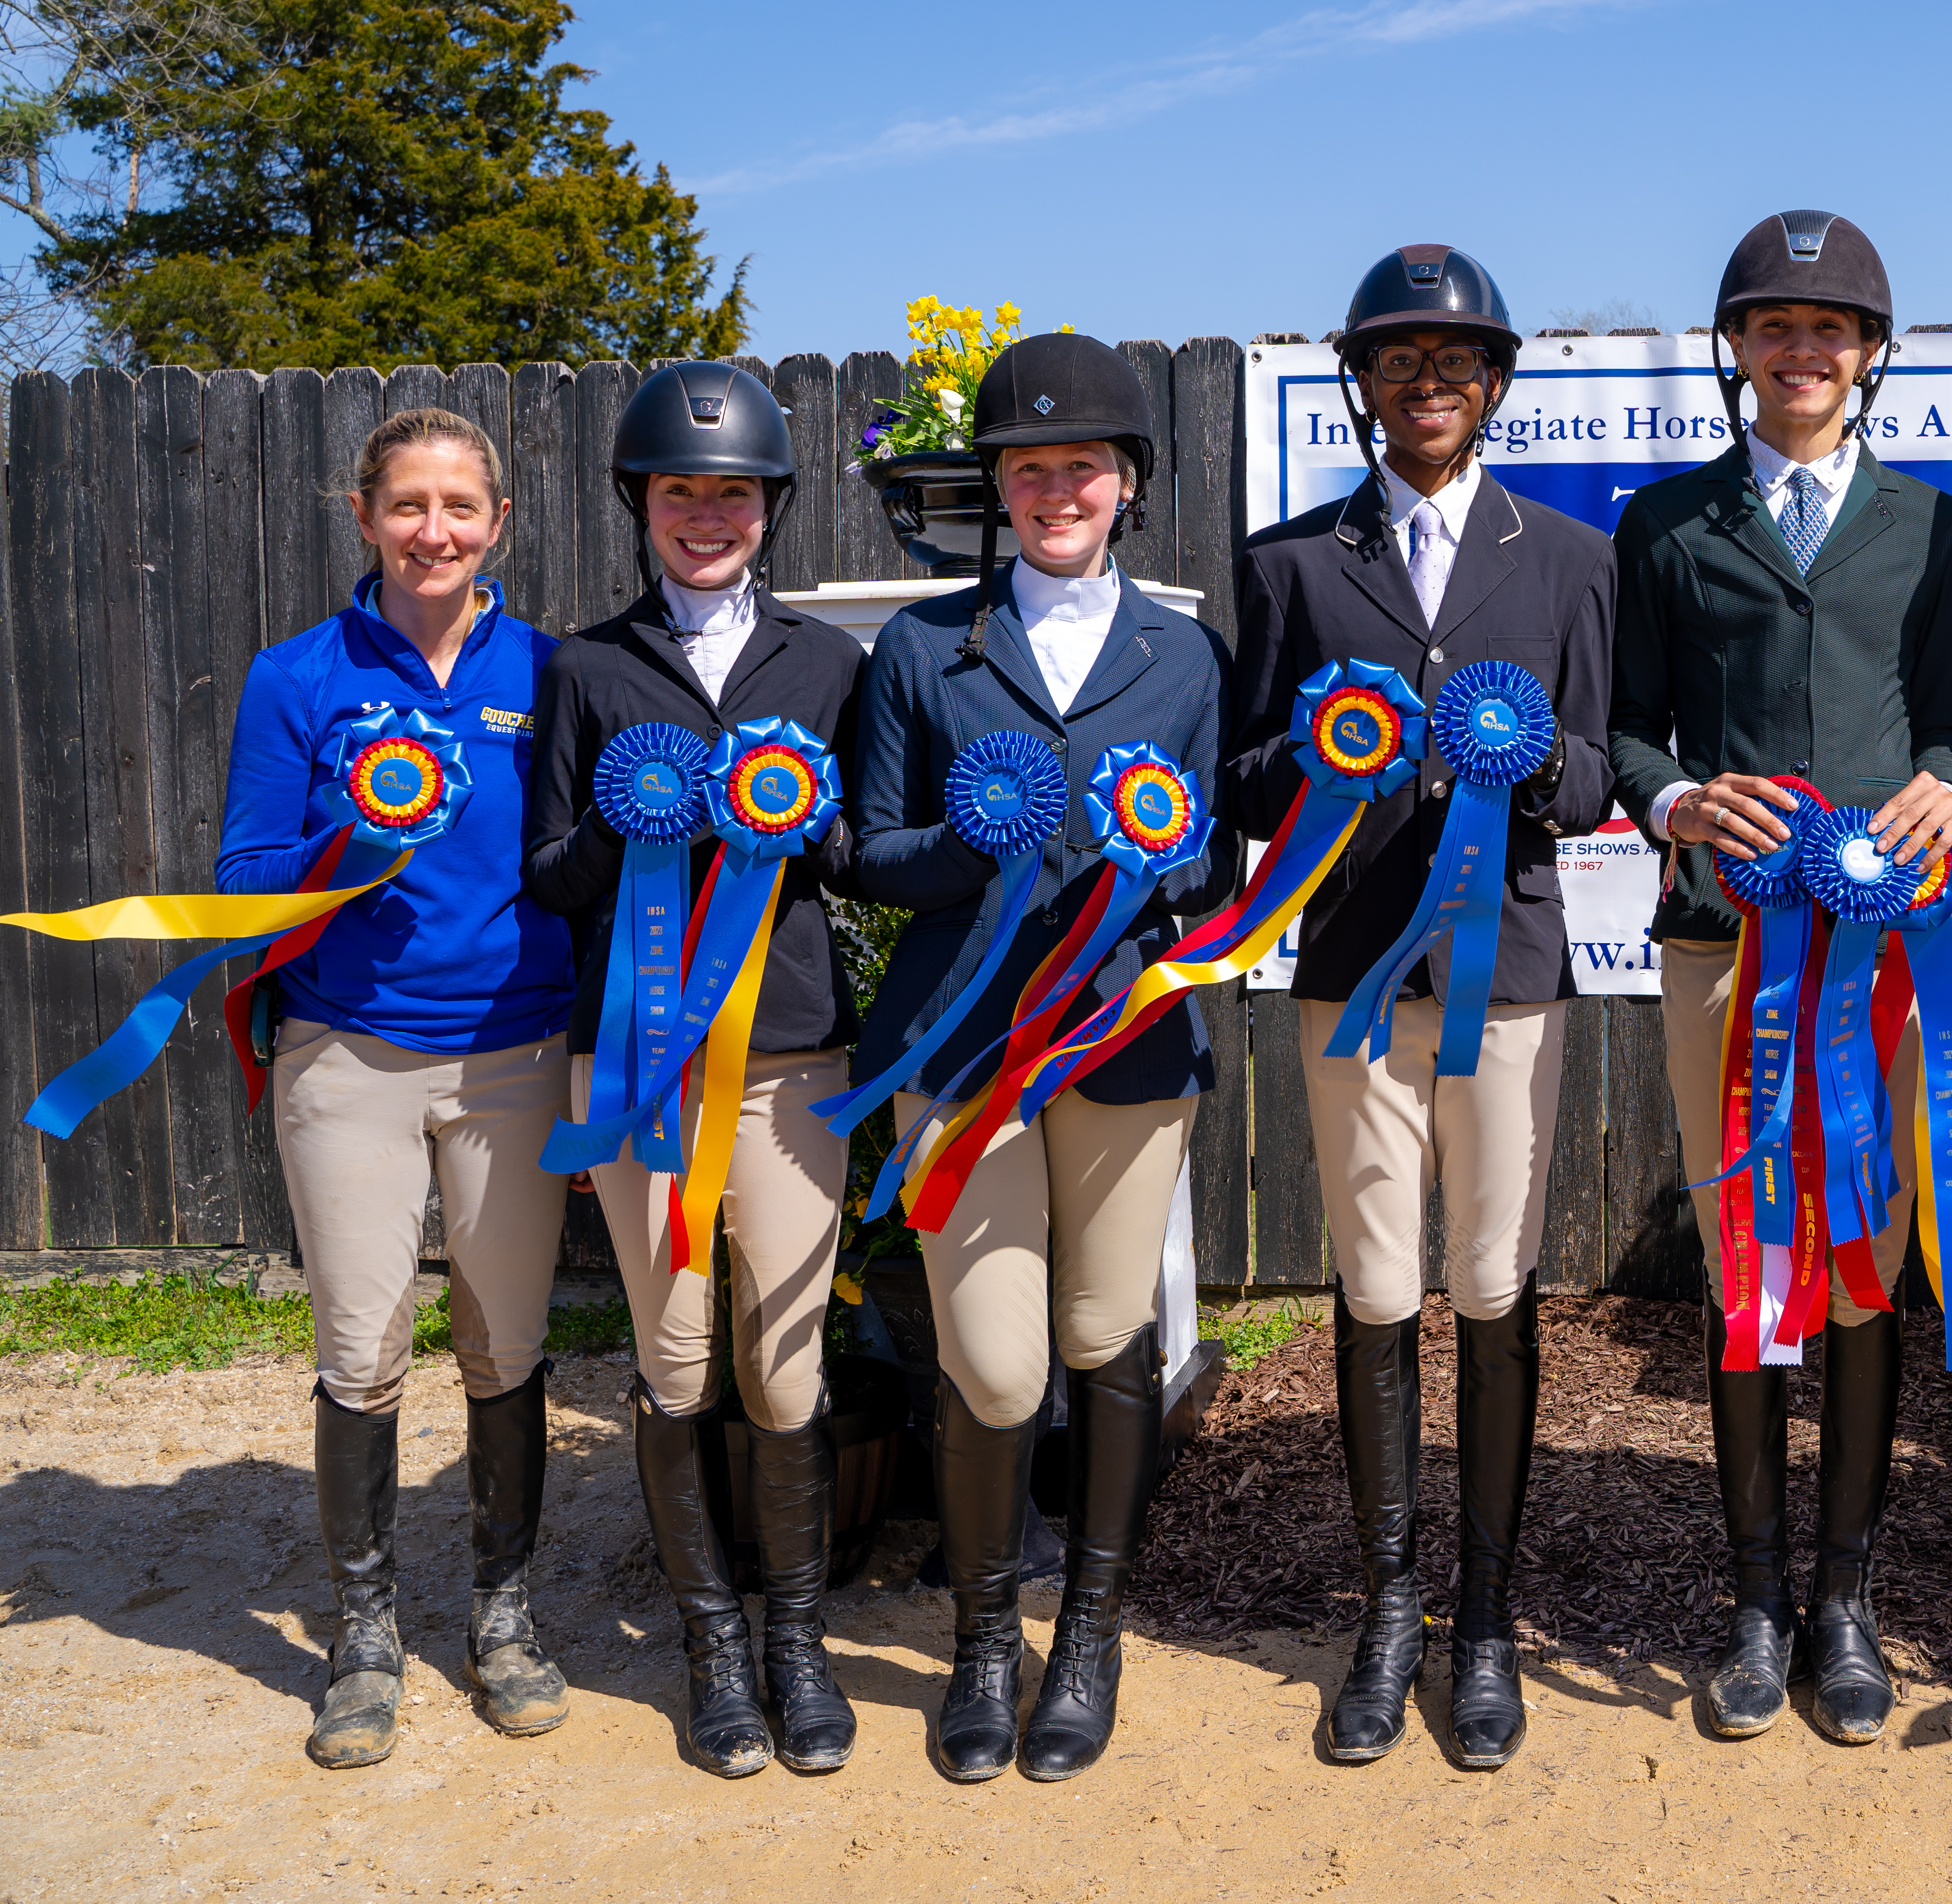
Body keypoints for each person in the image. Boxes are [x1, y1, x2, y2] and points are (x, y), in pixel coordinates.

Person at [1227, 244, 1615, 1768]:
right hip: (1355, 974)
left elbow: (1596, 772)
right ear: (1363, 386)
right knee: (1380, 1285)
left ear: (1495, 384)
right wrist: (1335, 757)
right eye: (1399, 363)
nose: (1428, 385)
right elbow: (1246, 775)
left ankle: (1491, 1615)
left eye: (1453, 363)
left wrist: (1518, 762)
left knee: (1497, 1283)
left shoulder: (1572, 560)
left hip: (1509, 975)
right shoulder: (1292, 565)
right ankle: (1392, 1608)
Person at [1609, 209, 1952, 1746]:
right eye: (1774, 328)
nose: (1803, 352)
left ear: (1870, 355)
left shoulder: (1936, 526)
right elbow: (1629, 731)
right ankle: (1754, 1597)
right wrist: (1679, 804)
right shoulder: (1670, 527)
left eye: (1829, 332)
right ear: (1738, 349)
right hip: (1727, 951)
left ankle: (1849, 1595)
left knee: (1868, 1257)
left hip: (1888, 954)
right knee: (1747, 1251)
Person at [848, 333, 1232, 1784]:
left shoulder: (1183, 654)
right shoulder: (921, 647)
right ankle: (977, 1638)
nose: (1055, 487)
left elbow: (1210, 850)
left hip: (1125, 1044)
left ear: (1127, 484)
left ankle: (1090, 1631)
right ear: (994, 488)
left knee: (1102, 1333)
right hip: (968, 1049)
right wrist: (977, 845)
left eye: (1082, 465)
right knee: (997, 1368)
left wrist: (1166, 862)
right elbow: (867, 850)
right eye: (1027, 467)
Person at [220, 407, 577, 1770]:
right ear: (362, 514)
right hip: (348, 1053)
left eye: (462, 507)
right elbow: (245, 884)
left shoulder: (549, 670)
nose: (437, 530)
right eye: (409, 505)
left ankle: (504, 1614)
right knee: (361, 1346)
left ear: (499, 522)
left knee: (507, 1338)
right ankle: (364, 1630)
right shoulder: (295, 677)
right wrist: (349, 831)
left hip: (516, 1052)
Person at [524, 363, 868, 1778]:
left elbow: (852, 848)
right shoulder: (587, 670)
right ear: (642, 506)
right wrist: (638, 819)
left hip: (789, 1057)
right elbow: (549, 869)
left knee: (784, 1363)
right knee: (675, 1359)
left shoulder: (829, 670)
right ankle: (712, 1647)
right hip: (643, 1060)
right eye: (684, 493)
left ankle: (797, 1641)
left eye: (733, 493)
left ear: (770, 506)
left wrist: (785, 819)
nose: (708, 515)